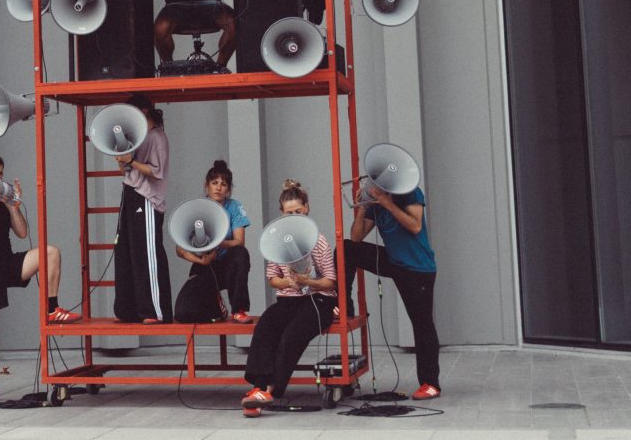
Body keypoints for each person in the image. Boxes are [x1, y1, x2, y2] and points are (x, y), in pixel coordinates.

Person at [0, 153, 63, 404]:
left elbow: (22, 233)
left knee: (51, 253)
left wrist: (12, 205)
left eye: (1, 174)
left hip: (7, 261)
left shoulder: (2, 199)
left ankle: (53, 308)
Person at [241, 180, 339, 415]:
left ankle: (271, 390)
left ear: (306, 208)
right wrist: (289, 282)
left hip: (318, 300)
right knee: (266, 325)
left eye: (298, 211)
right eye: (289, 213)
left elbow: (331, 282)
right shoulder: (277, 242)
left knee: (292, 335)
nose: (294, 216)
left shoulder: (318, 240)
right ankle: (258, 387)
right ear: (282, 214)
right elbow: (273, 279)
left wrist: (308, 282)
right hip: (289, 299)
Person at [346, 177, 441, 400]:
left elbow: (415, 225)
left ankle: (430, 383)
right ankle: (343, 305)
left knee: (422, 323)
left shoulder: (410, 192)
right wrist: (363, 207)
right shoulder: (376, 201)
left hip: (418, 267)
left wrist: (387, 203)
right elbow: (356, 237)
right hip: (394, 261)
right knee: (347, 249)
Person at [170, 158, 253, 323]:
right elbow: (179, 250)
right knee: (182, 312)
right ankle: (216, 309)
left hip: (227, 266)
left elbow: (239, 242)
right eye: (214, 183)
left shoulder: (234, 207)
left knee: (241, 254)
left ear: (228, 189)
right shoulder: (197, 208)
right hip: (204, 265)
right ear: (206, 186)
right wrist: (200, 261)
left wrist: (218, 243)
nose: (218, 187)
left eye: (223, 184)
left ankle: (239, 310)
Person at [112, 99, 169, 322]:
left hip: (146, 197)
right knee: (125, 250)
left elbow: (157, 171)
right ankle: (127, 308)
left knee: (146, 253)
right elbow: (125, 170)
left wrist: (132, 161)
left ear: (145, 111)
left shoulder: (157, 137)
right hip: (130, 192)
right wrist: (123, 160)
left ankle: (153, 310)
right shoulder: (137, 136)